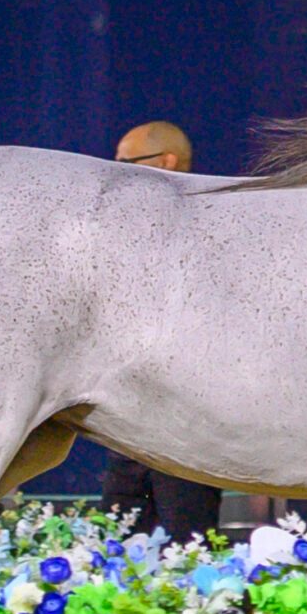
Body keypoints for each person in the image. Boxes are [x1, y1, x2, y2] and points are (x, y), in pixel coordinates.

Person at [97, 121, 225, 541]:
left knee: (187, 542)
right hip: (127, 415)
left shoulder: (212, 223)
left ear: (166, 162)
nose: (114, 174)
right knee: (114, 542)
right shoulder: (125, 230)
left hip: (184, 417)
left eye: (124, 164)